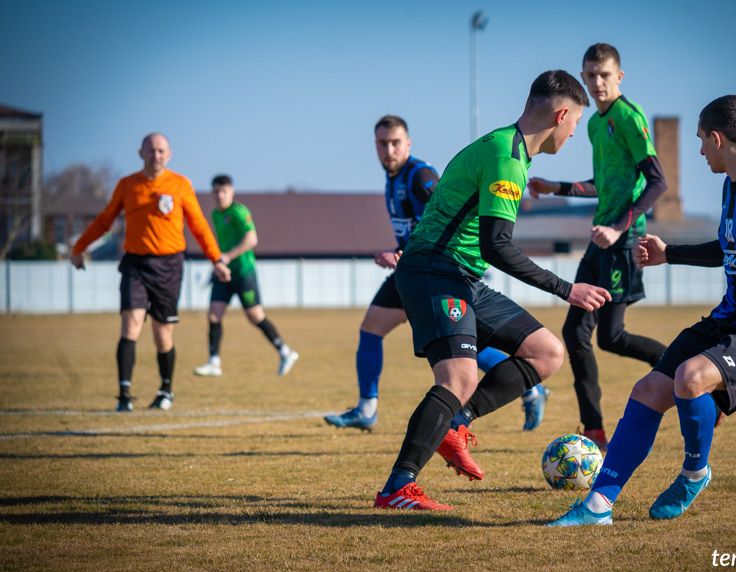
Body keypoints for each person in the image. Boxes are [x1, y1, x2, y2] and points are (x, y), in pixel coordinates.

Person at [547, 95, 736, 527]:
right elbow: (727, 249)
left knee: (691, 378)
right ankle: (598, 507)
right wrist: (669, 255)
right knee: (647, 390)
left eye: (701, 142)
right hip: (730, 318)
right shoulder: (732, 184)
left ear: (717, 137)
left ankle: (694, 472)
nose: (700, 152)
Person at [374, 70, 612, 510]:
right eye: (576, 122)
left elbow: (486, 248)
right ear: (562, 114)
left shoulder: (513, 151)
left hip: (462, 276)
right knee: (459, 377)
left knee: (547, 353)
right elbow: (496, 245)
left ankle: (455, 425)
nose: (575, 131)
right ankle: (396, 489)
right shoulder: (506, 157)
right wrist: (566, 289)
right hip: (433, 270)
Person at [324, 115, 550, 434]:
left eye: (395, 143)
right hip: (413, 269)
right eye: (382, 143)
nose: (388, 150)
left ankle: (527, 386)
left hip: (436, 270)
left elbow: (443, 222)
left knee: (458, 345)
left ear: (408, 144)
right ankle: (366, 409)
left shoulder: (421, 176)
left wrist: (401, 254)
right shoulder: (393, 178)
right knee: (373, 329)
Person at [528, 43, 669, 450]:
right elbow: (602, 185)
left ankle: (678, 369)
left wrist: (620, 226)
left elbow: (657, 180)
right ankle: (593, 429)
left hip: (623, 241)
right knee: (574, 332)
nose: (596, 83)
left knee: (610, 337)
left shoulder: (629, 116)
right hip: (600, 239)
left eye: (603, 75)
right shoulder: (593, 124)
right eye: (589, 75)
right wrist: (555, 188)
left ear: (618, 77)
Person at [70, 133, 231, 412]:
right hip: (135, 264)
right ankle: (124, 395)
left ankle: (165, 390)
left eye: (161, 151)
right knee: (130, 324)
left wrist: (216, 259)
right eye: (151, 151)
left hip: (169, 267)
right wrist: (79, 247)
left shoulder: (180, 185)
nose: (155, 156)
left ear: (169, 154)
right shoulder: (127, 185)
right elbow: (105, 219)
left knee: (162, 334)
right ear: (140, 153)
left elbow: (199, 226)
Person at [192, 175, 299, 378]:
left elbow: (252, 239)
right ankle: (214, 362)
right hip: (224, 273)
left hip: (243, 272)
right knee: (214, 314)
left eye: (223, 191)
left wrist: (228, 256)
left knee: (255, 316)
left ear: (232, 192)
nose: (220, 195)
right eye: (216, 191)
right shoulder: (215, 214)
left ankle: (285, 352)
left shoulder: (239, 212)